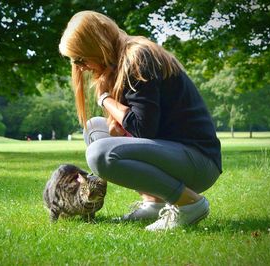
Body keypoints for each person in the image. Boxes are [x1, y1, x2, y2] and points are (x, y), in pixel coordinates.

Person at [59, 11, 222, 231]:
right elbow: (137, 128)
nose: (79, 67)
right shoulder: (121, 62)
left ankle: (190, 205)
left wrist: (105, 99)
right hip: (175, 154)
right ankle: (154, 204)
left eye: (80, 59)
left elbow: (143, 129)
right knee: (94, 128)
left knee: (100, 154)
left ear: (96, 46)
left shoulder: (137, 57)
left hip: (198, 161)